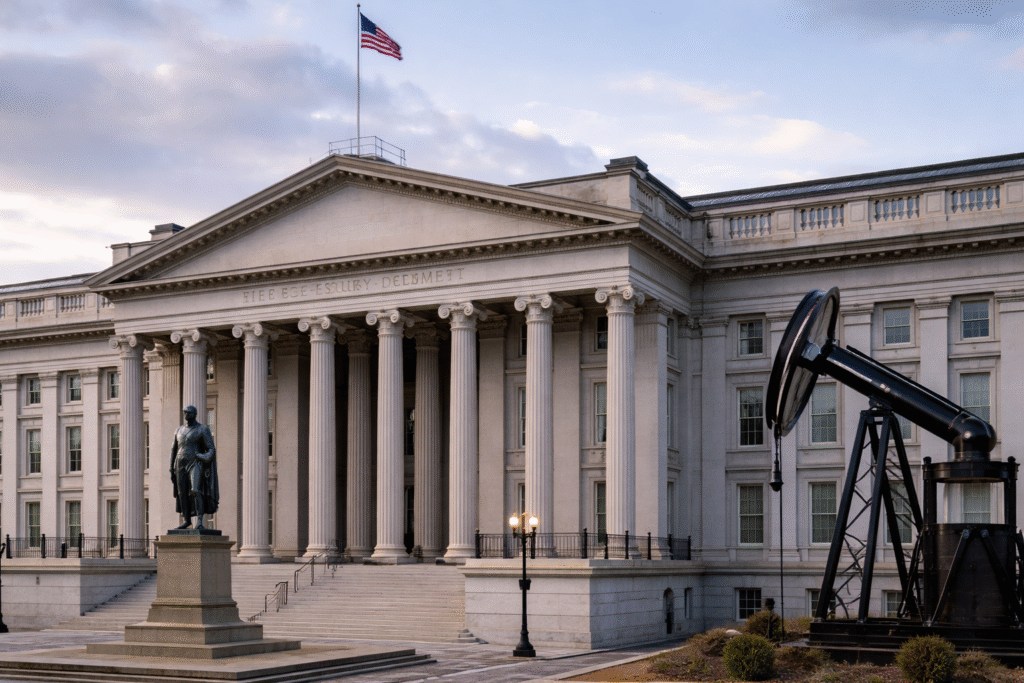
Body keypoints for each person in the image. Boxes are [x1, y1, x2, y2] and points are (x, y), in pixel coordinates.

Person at [170, 405, 219, 530]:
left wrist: (203, 457)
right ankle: (187, 520)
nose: (186, 415)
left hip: (195, 462)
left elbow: (211, 449)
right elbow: (174, 450)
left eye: (189, 413)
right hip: (180, 463)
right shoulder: (178, 431)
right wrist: (171, 467)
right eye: (185, 413)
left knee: (196, 490)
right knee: (182, 493)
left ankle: (200, 521)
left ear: (194, 414)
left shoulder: (202, 429)